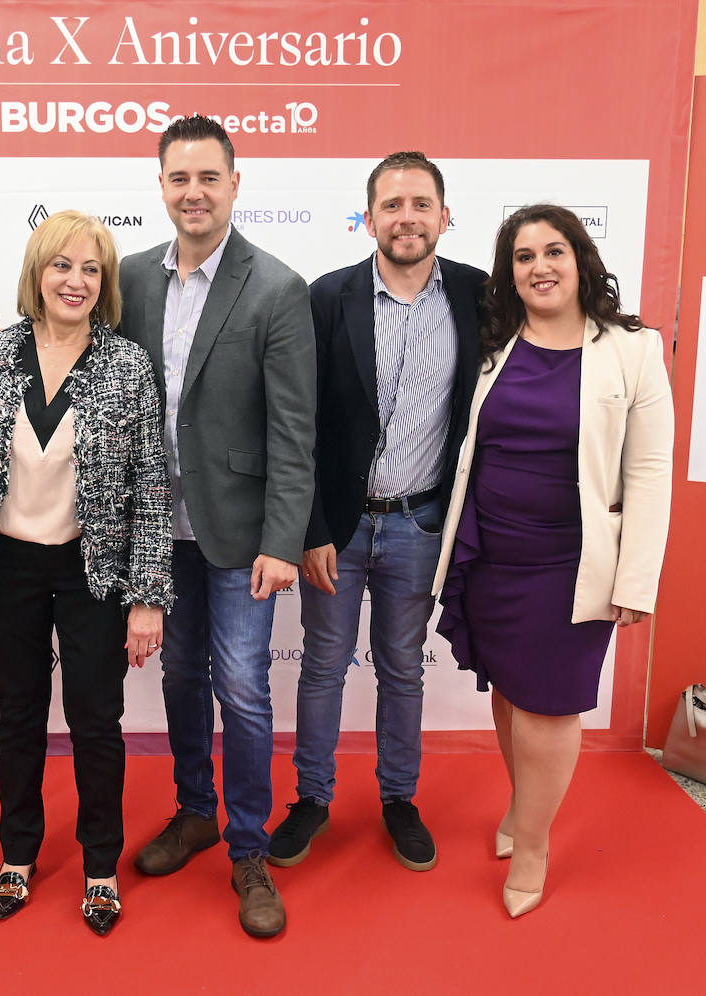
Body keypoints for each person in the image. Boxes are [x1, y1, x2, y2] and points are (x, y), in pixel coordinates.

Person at [0, 210, 172, 937]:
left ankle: (100, 865)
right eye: (61, 265)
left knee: (98, 723)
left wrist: (146, 598)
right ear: (37, 272)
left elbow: (150, 486)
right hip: (6, 569)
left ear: (106, 283)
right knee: (21, 719)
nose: (75, 280)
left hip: (92, 571)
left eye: (91, 268)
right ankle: (19, 854)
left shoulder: (126, 364)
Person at [433, 203, 673, 917]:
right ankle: (522, 810)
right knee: (509, 692)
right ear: (509, 272)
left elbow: (650, 470)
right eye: (523, 255)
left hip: (572, 566)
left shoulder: (633, 348)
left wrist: (636, 579)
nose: (540, 266)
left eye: (554, 251)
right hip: (492, 552)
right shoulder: (493, 342)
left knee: (548, 703)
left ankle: (533, 844)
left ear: (581, 260)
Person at [119, 115, 315, 938]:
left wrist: (281, 540)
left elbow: (294, 432)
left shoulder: (275, 287)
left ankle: (247, 850)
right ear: (160, 185)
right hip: (159, 535)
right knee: (177, 680)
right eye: (178, 178)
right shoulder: (127, 279)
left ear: (236, 184)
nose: (192, 192)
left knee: (242, 689)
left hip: (240, 537)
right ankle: (193, 810)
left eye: (208, 177)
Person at [268, 152, 484, 873]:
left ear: (444, 217)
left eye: (421, 204)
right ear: (369, 218)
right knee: (323, 666)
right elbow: (299, 422)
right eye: (391, 205)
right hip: (339, 526)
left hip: (422, 524)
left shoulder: (480, 298)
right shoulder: (327, 297)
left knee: (403, 668)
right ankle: (313, 800)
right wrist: (310, 527)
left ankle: (399, 799)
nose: (407, 217)